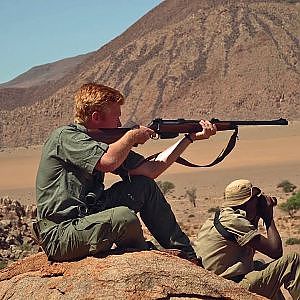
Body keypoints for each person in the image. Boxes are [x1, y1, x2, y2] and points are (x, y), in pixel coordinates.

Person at [34, 82, 217, 262]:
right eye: (116, 116)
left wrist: (189, 138)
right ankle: (148, 255)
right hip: (61, 234)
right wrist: (130, 137)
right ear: (96, 117)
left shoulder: (105, 144)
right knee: (123, 217)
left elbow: (152, 170)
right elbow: (108, 162)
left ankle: (188, 257)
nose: (120, 122)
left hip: (88, 217)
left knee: (144, 186)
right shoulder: (65, 136)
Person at [194, 179, 299, 300]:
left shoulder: (222, 216)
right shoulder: (234, 221)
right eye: (255, 198)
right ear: (246, 202)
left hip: (216, 285)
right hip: (229, 289)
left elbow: (250, 249)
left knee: (260, 265)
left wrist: (256, 214)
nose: (259, 200)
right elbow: (276, 252)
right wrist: (268, 217)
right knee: (292, 261)